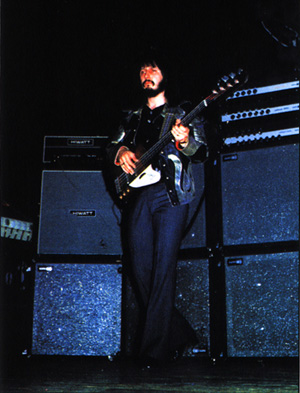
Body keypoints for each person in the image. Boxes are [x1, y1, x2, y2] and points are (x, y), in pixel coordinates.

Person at [106, 50, 209, 366]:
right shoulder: (131, 117)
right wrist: (120, 150)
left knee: (163, 269)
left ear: (165, 75)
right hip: (137, 198)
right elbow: (110, 145)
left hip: (170, 197)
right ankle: (180, 335)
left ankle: (152, 353)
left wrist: (184, 140)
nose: (146, 72)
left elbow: (200, 150)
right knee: (142, 272)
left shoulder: (183, 112)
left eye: (153, 67)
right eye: (142, 69)